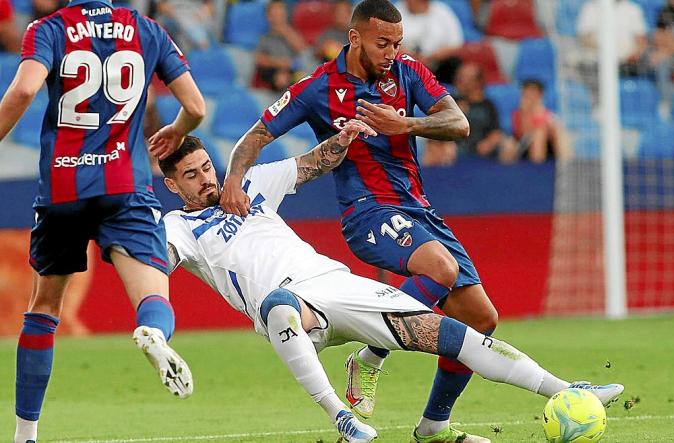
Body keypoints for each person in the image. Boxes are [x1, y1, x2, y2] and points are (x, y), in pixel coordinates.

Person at [161, 132, 625, 443]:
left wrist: (342, 139)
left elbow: (311, 163)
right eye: (192, 175)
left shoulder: (252, 184)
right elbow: (158, 261)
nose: (206, 179)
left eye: (206, 167)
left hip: (337, 284)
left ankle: (568, 391)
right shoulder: (179, 225)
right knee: (278, 306)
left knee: (458, 336)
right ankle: (343, 418)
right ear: (171, 184)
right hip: (296, 310)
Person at [220, 1, 501, 440]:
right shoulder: (318, 87)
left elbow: (458, 123)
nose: (392, 51)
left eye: (397, 42)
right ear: (355, 38)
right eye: (382, 43)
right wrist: (234, 179)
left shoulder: (408, 72)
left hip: (418, 209)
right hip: (367, 211)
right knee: (440, 269)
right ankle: (370, 356)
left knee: (481, 320)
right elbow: (256, 135)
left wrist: (403, 124)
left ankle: (433, 426)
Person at [0, 1, 206, 441]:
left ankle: (25, 434)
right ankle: (152, 332)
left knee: (43, 310)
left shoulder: (49, 28)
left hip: (62, 188)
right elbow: (196, 106)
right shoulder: (147, 29)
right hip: (125, 185)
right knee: (152, 293)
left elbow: (22, 91)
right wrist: (177, 128)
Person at [423, 63, 505, 166]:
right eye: (459, 77)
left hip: (480, 147)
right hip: (454, 148)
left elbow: (496, 131)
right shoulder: (452, 101)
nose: (459, 81)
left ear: (477, 82)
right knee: (435, 145)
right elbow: (436, 127)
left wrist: (488, 143)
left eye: (465, 78)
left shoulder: (488, 105)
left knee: (507, 146)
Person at [503, 79, 570, 164]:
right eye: (527, 94)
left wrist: (539, 114)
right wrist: (527, 113)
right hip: (524, 144)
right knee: (509, 144)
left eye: (533, 93)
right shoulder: (518, 113)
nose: (530, 96)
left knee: (554, 133)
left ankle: (566, 165)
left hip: (547, 147)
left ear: (540, 95)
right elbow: (521, 133)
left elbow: (555, 128)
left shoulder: (546, 113)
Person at [396, 0, 464, 84]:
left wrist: (432, 56)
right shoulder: (396, 10)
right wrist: (412, 57)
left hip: (438, 64)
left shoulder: (442, 11)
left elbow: (456, 44)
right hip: (405, 63)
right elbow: (389, 41)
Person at [254, 0, 308, 92]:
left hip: (294, 70)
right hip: (274, 71)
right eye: (275, 15)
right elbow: (258, 59)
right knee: (281, 78)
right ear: (269, 17)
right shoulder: (264, 38)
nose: (278, 18)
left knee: (306, 73)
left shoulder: (292, 33)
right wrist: (278, 62)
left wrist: (285, 31)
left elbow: (303, 49)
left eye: (281, 14)